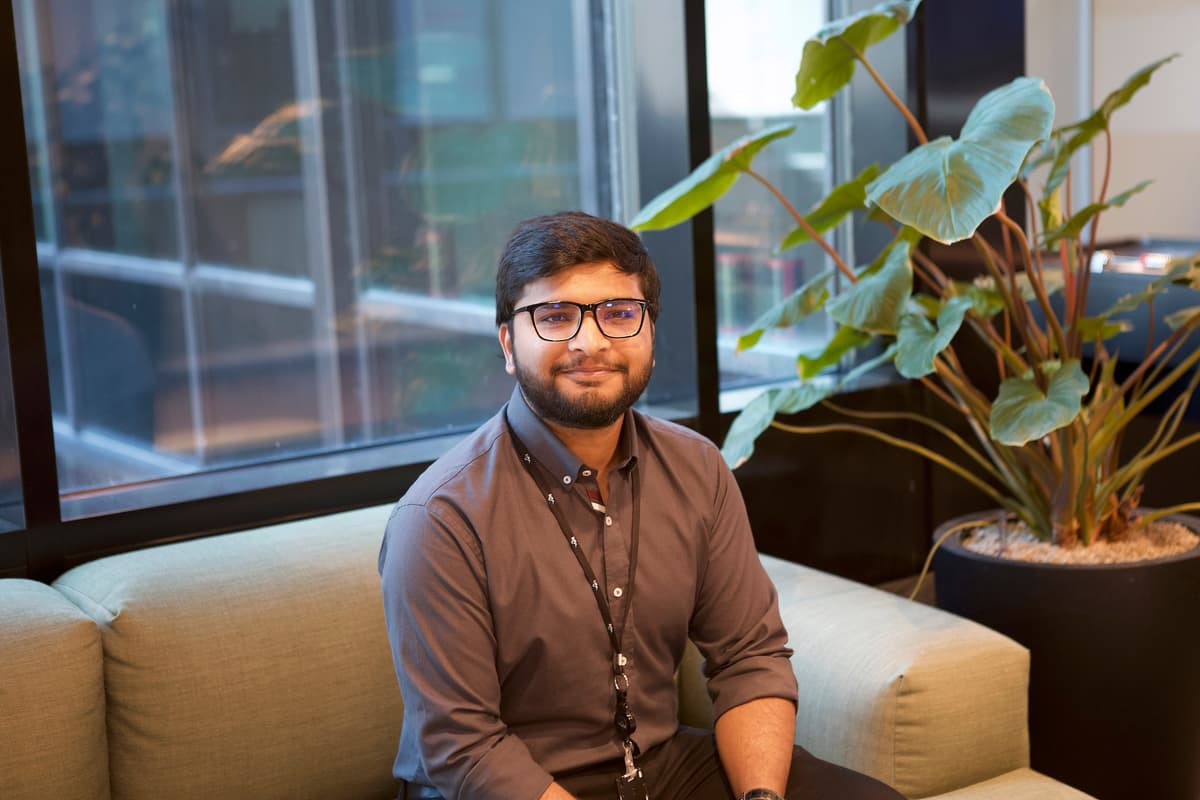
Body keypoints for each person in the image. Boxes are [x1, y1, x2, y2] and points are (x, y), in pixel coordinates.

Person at [379, 211, 906, 800]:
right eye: (554, 317)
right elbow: (464, 748)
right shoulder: (440, 518)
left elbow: (747, 657)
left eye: (619, 314)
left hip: (662, 770)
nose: (590, 341)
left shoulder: (697, 468)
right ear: (508, 342)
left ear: (650, 332)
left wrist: (761, 798)